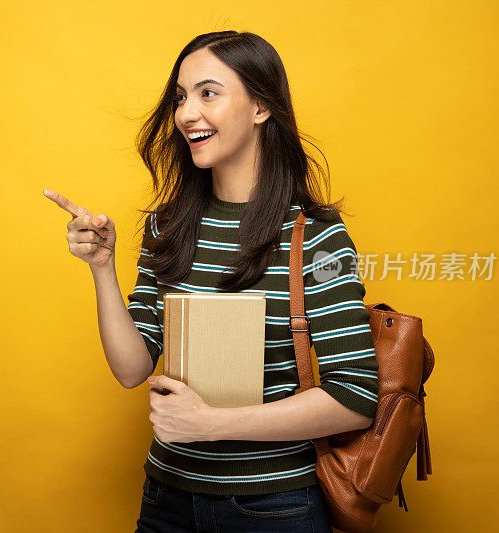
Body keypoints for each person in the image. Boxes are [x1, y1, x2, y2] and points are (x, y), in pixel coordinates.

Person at [44, 30, 379, 533]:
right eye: (181, 97)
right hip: (167, 500)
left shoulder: (318, 236)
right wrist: (102, 269)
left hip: (274, 509)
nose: (186, 113)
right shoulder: (168, 226)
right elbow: (132, 368)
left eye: (208, 93)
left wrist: (212, 424)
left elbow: (355, 397)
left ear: (261, 107)